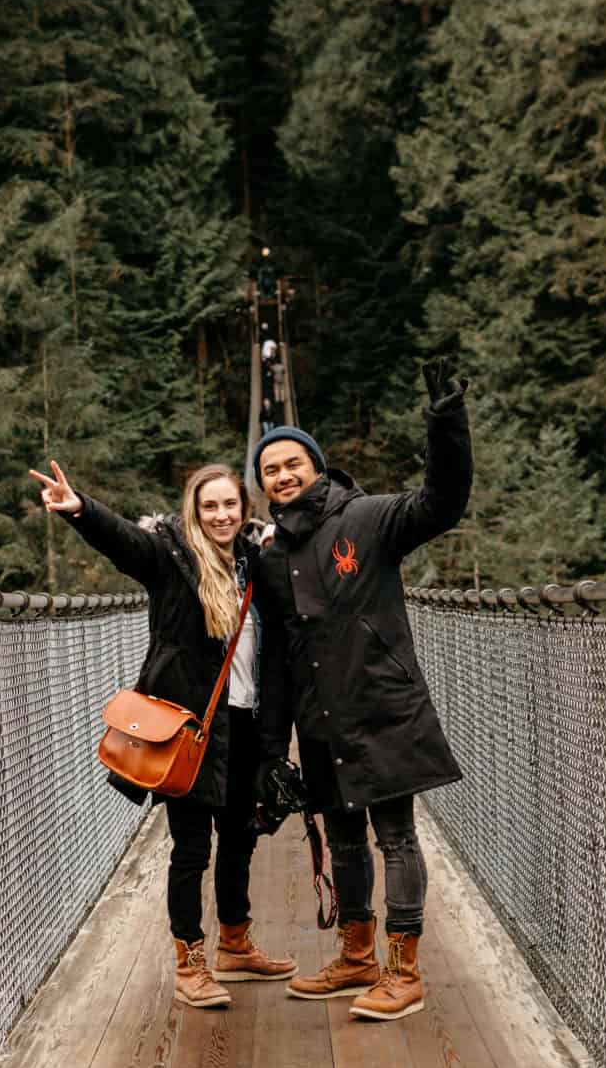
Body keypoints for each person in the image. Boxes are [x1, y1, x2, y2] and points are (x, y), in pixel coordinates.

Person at [28, 459, 297, 1008]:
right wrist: (79, 509)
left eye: (230, 505)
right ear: (193, 513)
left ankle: (237, 943)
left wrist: (282, 534)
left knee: (241, 838)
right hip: (191, 729)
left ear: (244, 510)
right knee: (192, 848)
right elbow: (126, 543)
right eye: (210, 506)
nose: (221, 515)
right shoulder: (171, 558)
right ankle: (189, 959)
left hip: (245, 720)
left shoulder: (255, 559)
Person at [251, 362, 471, 1021]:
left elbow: (443, 502)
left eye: (293, 463)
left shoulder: (370, 518)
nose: (283, 475)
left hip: (380, 707)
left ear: (316, 466)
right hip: (320, 720)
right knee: (342, 837)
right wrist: (271, 747)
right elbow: (279, 661)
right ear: (263, 484)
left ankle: (405, 971)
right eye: (271, 470)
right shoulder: (270, 555)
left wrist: (446, 422)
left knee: (396, 836)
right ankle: (356, 955)